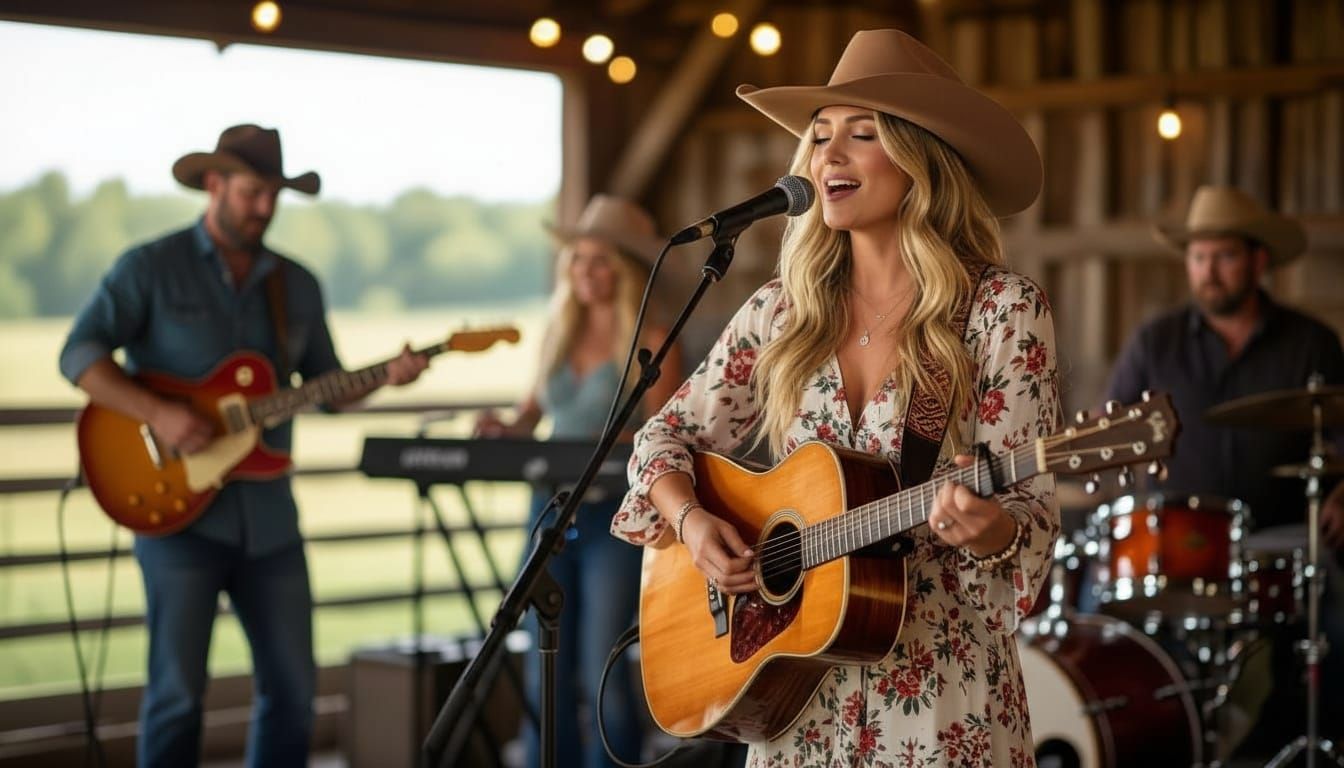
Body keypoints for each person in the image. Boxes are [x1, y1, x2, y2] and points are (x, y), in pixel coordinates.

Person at [612, 30, 1060, 766]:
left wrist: (990, 533)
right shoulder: (781, 313)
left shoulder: (1000, 312)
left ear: (921, 159)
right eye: (819, 138)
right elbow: (662, 439)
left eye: (862, 134)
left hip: (942, 706)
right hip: (796, 711)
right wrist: (691, 523)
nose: (829, 156)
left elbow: (1030, 522)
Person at [58, 124, 428, 768]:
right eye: (254, 192)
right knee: (176, 696)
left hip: (271, 523)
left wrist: (384, 378)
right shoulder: (149, 266)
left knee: (293, 693)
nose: (264, 208)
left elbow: (327, 387)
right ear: (214, 184)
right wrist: (158, 415)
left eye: (274, 196)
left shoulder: (297, 285)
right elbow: (79, 354)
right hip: (176, 524)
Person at [1105, 184, 1344, 754]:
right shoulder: (1154, 342)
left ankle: (1307, 743)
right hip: (1177, 541)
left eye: (1225, 255)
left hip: (1283, 538)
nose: (1208, 271)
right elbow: (1109, 437)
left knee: (1335, 618)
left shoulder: (1311, 342)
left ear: (1259, 260)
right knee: (1108, 626)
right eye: (1198, 256)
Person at [474, 194, 682, 767]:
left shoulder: (654, 337)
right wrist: (504, 427)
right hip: (550, 512)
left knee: (600, 668)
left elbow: (667, 433)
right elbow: (531, 416)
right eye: (578, 259)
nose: (585, 271)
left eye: (600, 260)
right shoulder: (557, 332)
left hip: (615, 516)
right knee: (546, 663)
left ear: (626, 270)